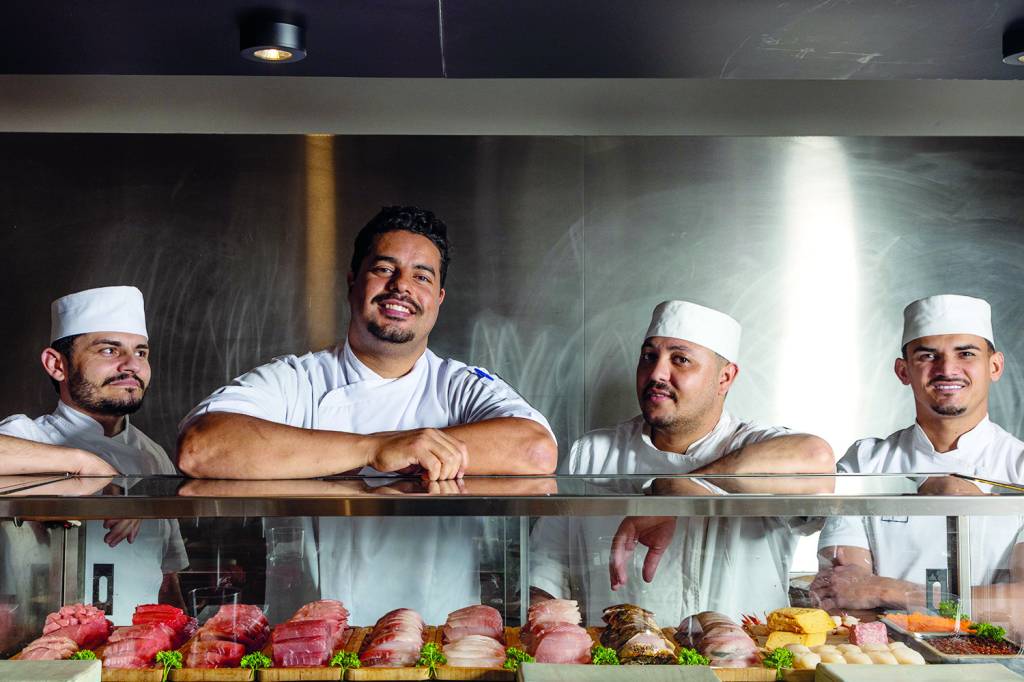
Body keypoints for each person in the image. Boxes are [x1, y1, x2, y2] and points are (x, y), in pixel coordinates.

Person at [178, 206, 557, 623]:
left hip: (437, 640)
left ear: (438, 299)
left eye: (422, 277)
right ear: (352, 280)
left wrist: (409, 448)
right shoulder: (298, 379)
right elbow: (201, 448)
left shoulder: (460, 385)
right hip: (312, 642)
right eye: (384, 269)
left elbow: (536, 451)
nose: (401, 286)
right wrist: (374, 449)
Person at [530, 300, 835, 624]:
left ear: (725, 378)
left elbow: (816, 458)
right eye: (649, 357)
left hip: (744, 652)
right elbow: (546, 568)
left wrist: (675, 490)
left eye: (680, 359)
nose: (656, 374)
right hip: (614, 651)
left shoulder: (753, 445)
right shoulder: (592, 453)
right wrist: (550, 630)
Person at [813, 294, 1024, 622]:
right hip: (886, 650)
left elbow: (1021, 609)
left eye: (966, 354)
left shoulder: (1019, 466)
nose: (947, 369)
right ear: (903, 371)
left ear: (994, 366)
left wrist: (889, 590)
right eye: (928, 355)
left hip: (999, 655)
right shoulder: (865, 464)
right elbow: (842, 594)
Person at [0, 286, 188, 624]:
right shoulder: (26, 436)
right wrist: (86, 465)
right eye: (109, 350)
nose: (131, 365)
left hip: (134, 649)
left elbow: (166, 578)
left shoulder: (153, 456)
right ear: (56, 365)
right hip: (39, 647)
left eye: (141, 352)